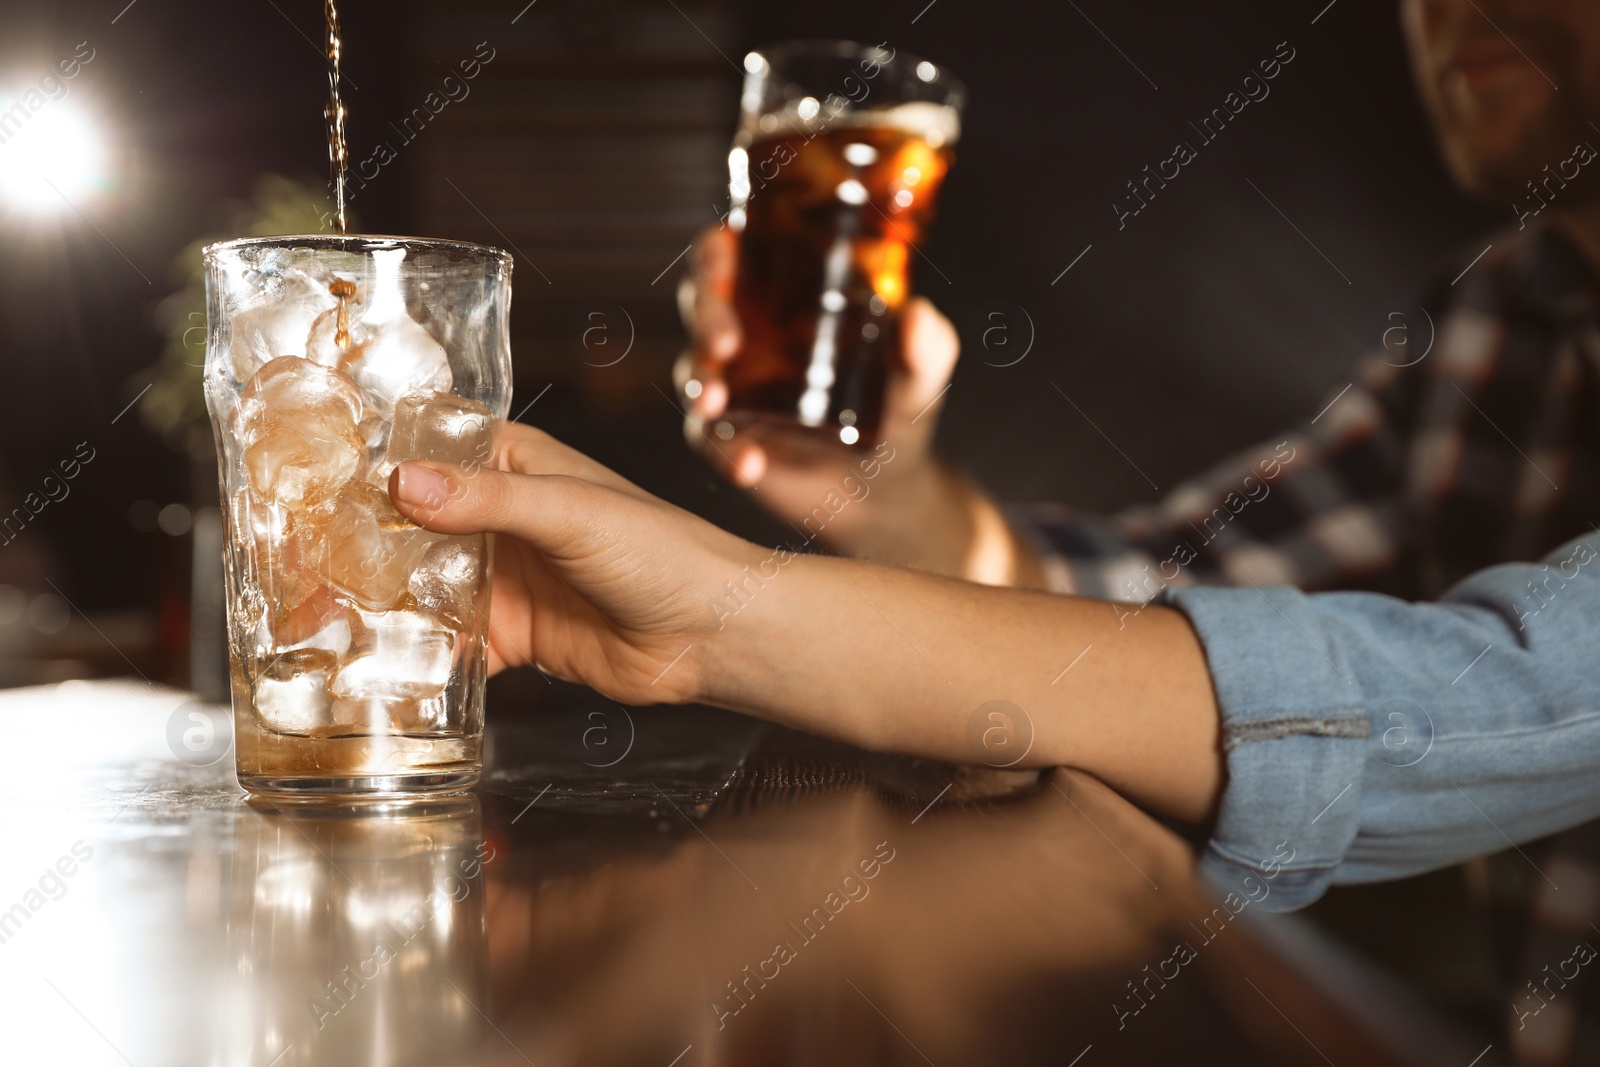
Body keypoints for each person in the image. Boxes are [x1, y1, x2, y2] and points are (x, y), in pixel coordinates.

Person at [389, 0, 1598, 977]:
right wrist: (880, 491)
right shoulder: (1505, 312)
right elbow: (1149, 616)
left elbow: (1488, 696)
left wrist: (725, 613)